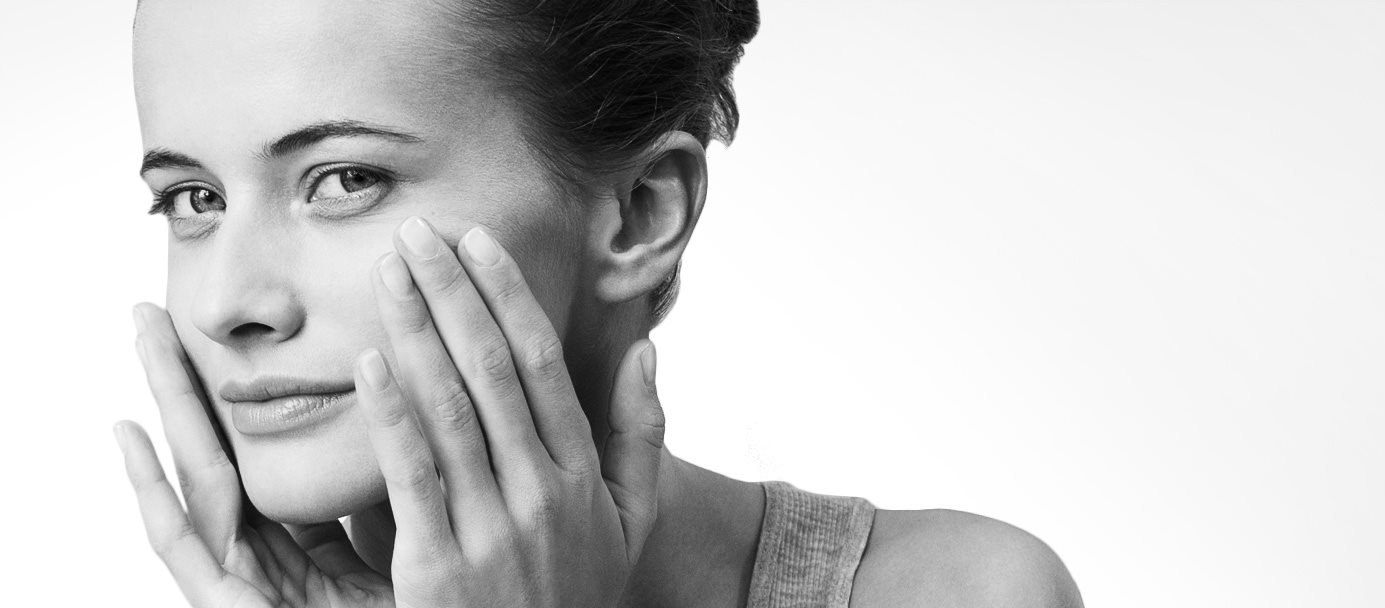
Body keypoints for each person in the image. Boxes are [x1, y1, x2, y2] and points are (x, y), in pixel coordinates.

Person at [114, 0, 1085, 606]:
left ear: (638, 213)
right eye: (191, 199)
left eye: (346, 179)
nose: (225, 302)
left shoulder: (960, 592)